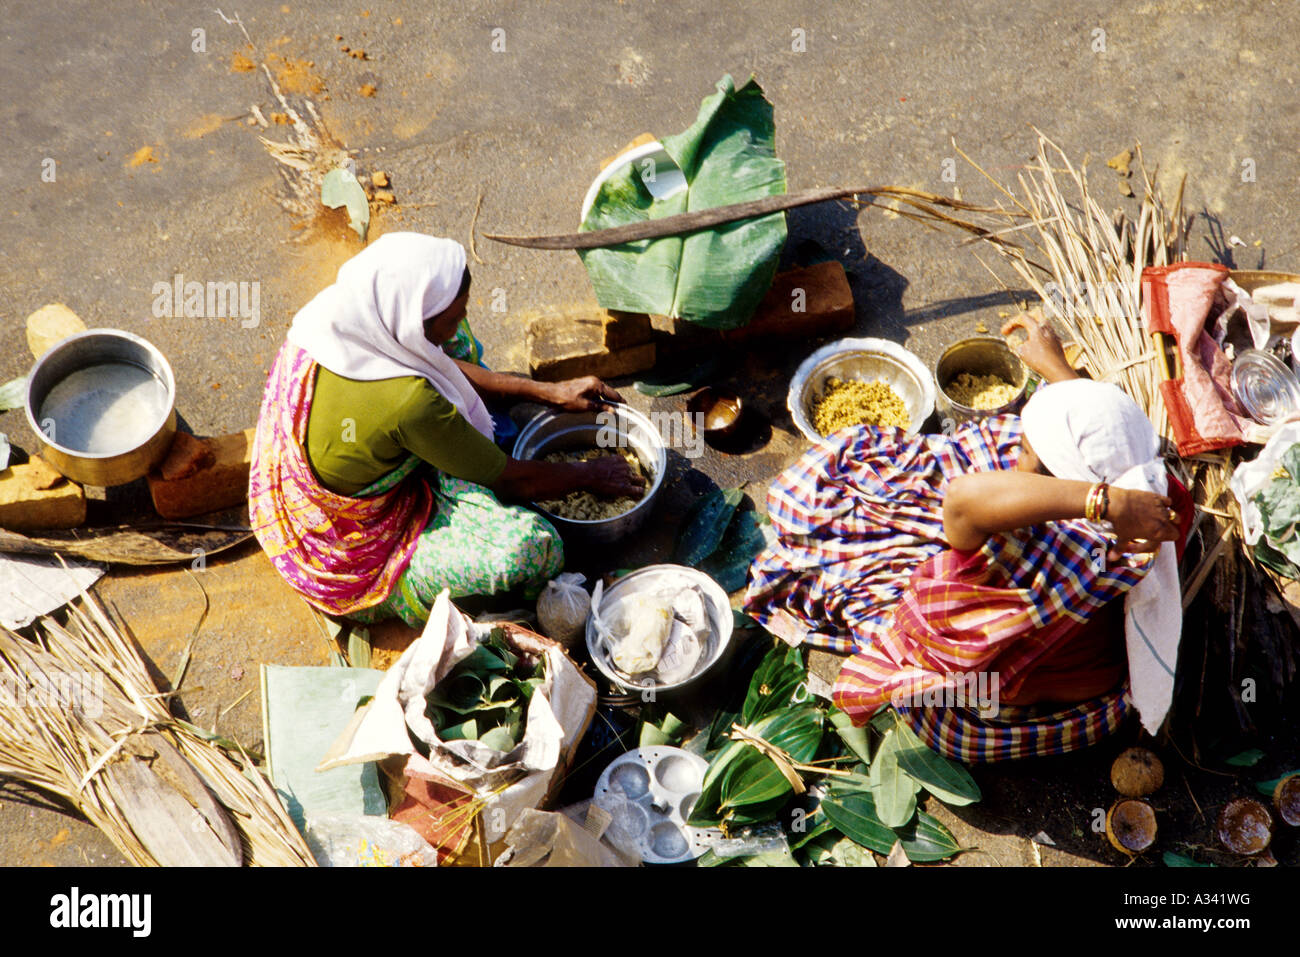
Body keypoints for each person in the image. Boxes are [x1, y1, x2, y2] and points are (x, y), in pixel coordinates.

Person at [743, 312, 1191, 762]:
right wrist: (1060, 374)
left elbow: (963, 500)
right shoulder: (1155, 497)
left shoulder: (1021, 552)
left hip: (1005, 686)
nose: (1017, 452)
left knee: (941, 703)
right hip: (1084, 660)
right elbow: (1105, 446)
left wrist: (1103, 503)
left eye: (1027, 453)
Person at [249, 232, 643, 627]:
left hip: (322, 467)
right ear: (409, 325)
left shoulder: (334, 316)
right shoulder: (410, 401)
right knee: (531, 548)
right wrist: (591, 474)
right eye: (449, 320)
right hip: (349, 554)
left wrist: (548, 393)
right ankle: (408, 597)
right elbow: (513, 481)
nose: (456, 330)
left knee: (460, 347)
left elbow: (435, 360)